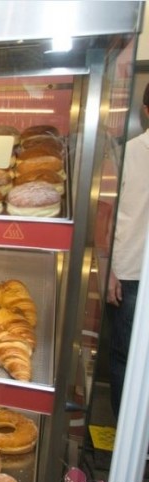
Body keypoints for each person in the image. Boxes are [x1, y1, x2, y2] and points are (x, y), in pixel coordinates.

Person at [106, 82, 149, 419]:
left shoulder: (127, 152)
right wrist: (109, 270)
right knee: (125, 356)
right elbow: (106, 213)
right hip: (131, 272)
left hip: (130, 270)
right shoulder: (126, 154)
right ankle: (125, 429)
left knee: (127, 358)